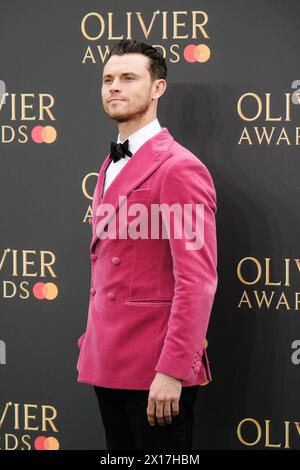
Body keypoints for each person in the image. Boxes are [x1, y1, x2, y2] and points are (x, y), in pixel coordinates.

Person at [76, 39, 218, 450]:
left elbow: (197, 280)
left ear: (158, 88)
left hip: (157, 372)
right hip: (108, 361)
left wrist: (173, 370)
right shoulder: (109, 163)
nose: (113, 87)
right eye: (107, 79)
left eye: (128, 78)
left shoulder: (180, 168)